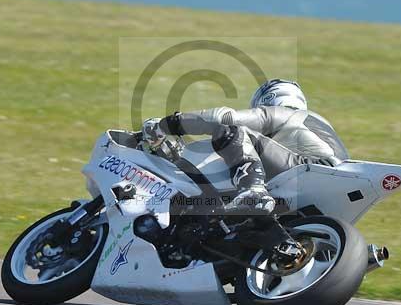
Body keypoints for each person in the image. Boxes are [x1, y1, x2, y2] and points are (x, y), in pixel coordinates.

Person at [142, 79, 349, 214]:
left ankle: (253, 190)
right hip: (339, 187)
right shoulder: (316, 124)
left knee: (232, 129)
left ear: (269, 99)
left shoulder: (282, 113)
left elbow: (222, 117)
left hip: (311, 168)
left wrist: (167, 124)